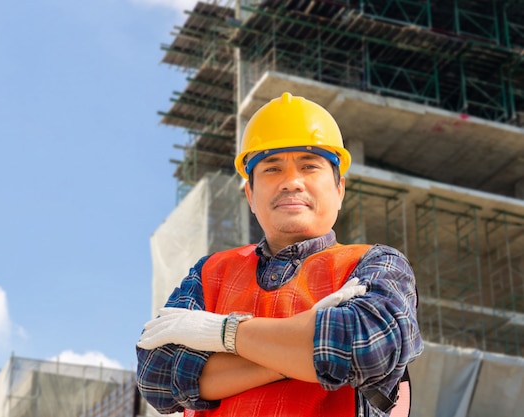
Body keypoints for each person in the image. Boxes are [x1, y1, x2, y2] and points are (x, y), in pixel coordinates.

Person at [136, 92, 423, 416]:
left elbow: (369, 347)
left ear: (339, 188)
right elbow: (157, 375)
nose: (292, 182)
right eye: (272, 169)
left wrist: (221, 334)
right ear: (250, 194)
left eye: (309, 166)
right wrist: (304, 349)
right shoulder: (210, 272)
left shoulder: (377, 265)